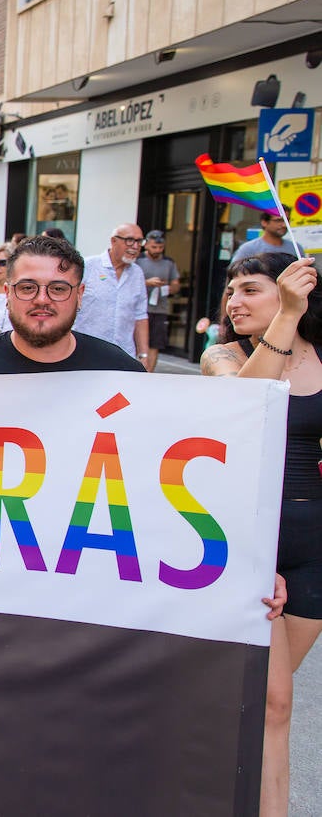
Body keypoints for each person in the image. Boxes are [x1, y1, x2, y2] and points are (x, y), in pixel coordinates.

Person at [197, 252, 320, 815]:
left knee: (253, 702)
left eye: (250, 289)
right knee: (272, 705)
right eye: (230, 292)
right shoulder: (224, 354)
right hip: (254, 543)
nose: (234, 301)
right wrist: (286, 317)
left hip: (314, 548)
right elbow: (245, 406)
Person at [0, 235, 147, 375]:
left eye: (58, 289)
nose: (42, 299)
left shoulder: (120, 371)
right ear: (8, 293)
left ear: (80, 295)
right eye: (27, 288)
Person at [72, 223, 150, 367]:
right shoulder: (87, 267)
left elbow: (140, 316)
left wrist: (143, 355)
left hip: (124, 355)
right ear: (114, 241)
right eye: (130, 240)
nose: (135, 246)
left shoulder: (137, 273)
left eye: (139, 241)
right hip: (86, 354)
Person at [136, 229, 180, 372]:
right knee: (137, 342)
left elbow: (176, 284)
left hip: (160, 309)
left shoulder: (168, 262)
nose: (157, 250)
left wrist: (169, 287)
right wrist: (147, 283)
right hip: (139, 308)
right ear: (146, 245)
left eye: (160, 248)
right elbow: (130, 282)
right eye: (154, 247)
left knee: (155, 344)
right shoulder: (138, 260)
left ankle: (149, 374)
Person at [232, 211, 297, 263]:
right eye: (278, 220)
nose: (284, 225)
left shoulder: (295, 248)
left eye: (287, 220)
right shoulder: (248, 249)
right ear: (264, 222)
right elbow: (233, 272)